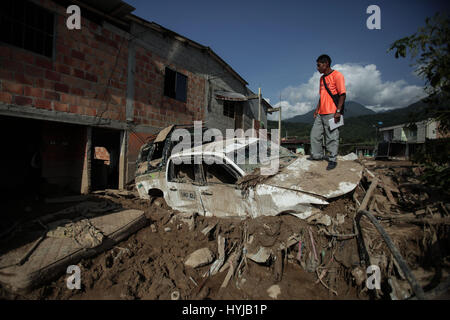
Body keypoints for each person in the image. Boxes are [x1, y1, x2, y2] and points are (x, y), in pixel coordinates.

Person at [309, 54, 346, 170]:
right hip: (321, 113)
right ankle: (317, 156)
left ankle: (332, 159)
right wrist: (317, 109)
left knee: (332, 137)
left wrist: (338, 111)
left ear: (326, 64)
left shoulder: (337, 75)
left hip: (332, 112)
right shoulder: (322, 79)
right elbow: (322, 96)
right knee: (314, 135)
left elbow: (342, 94)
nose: (317, 68)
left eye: (319, 65)